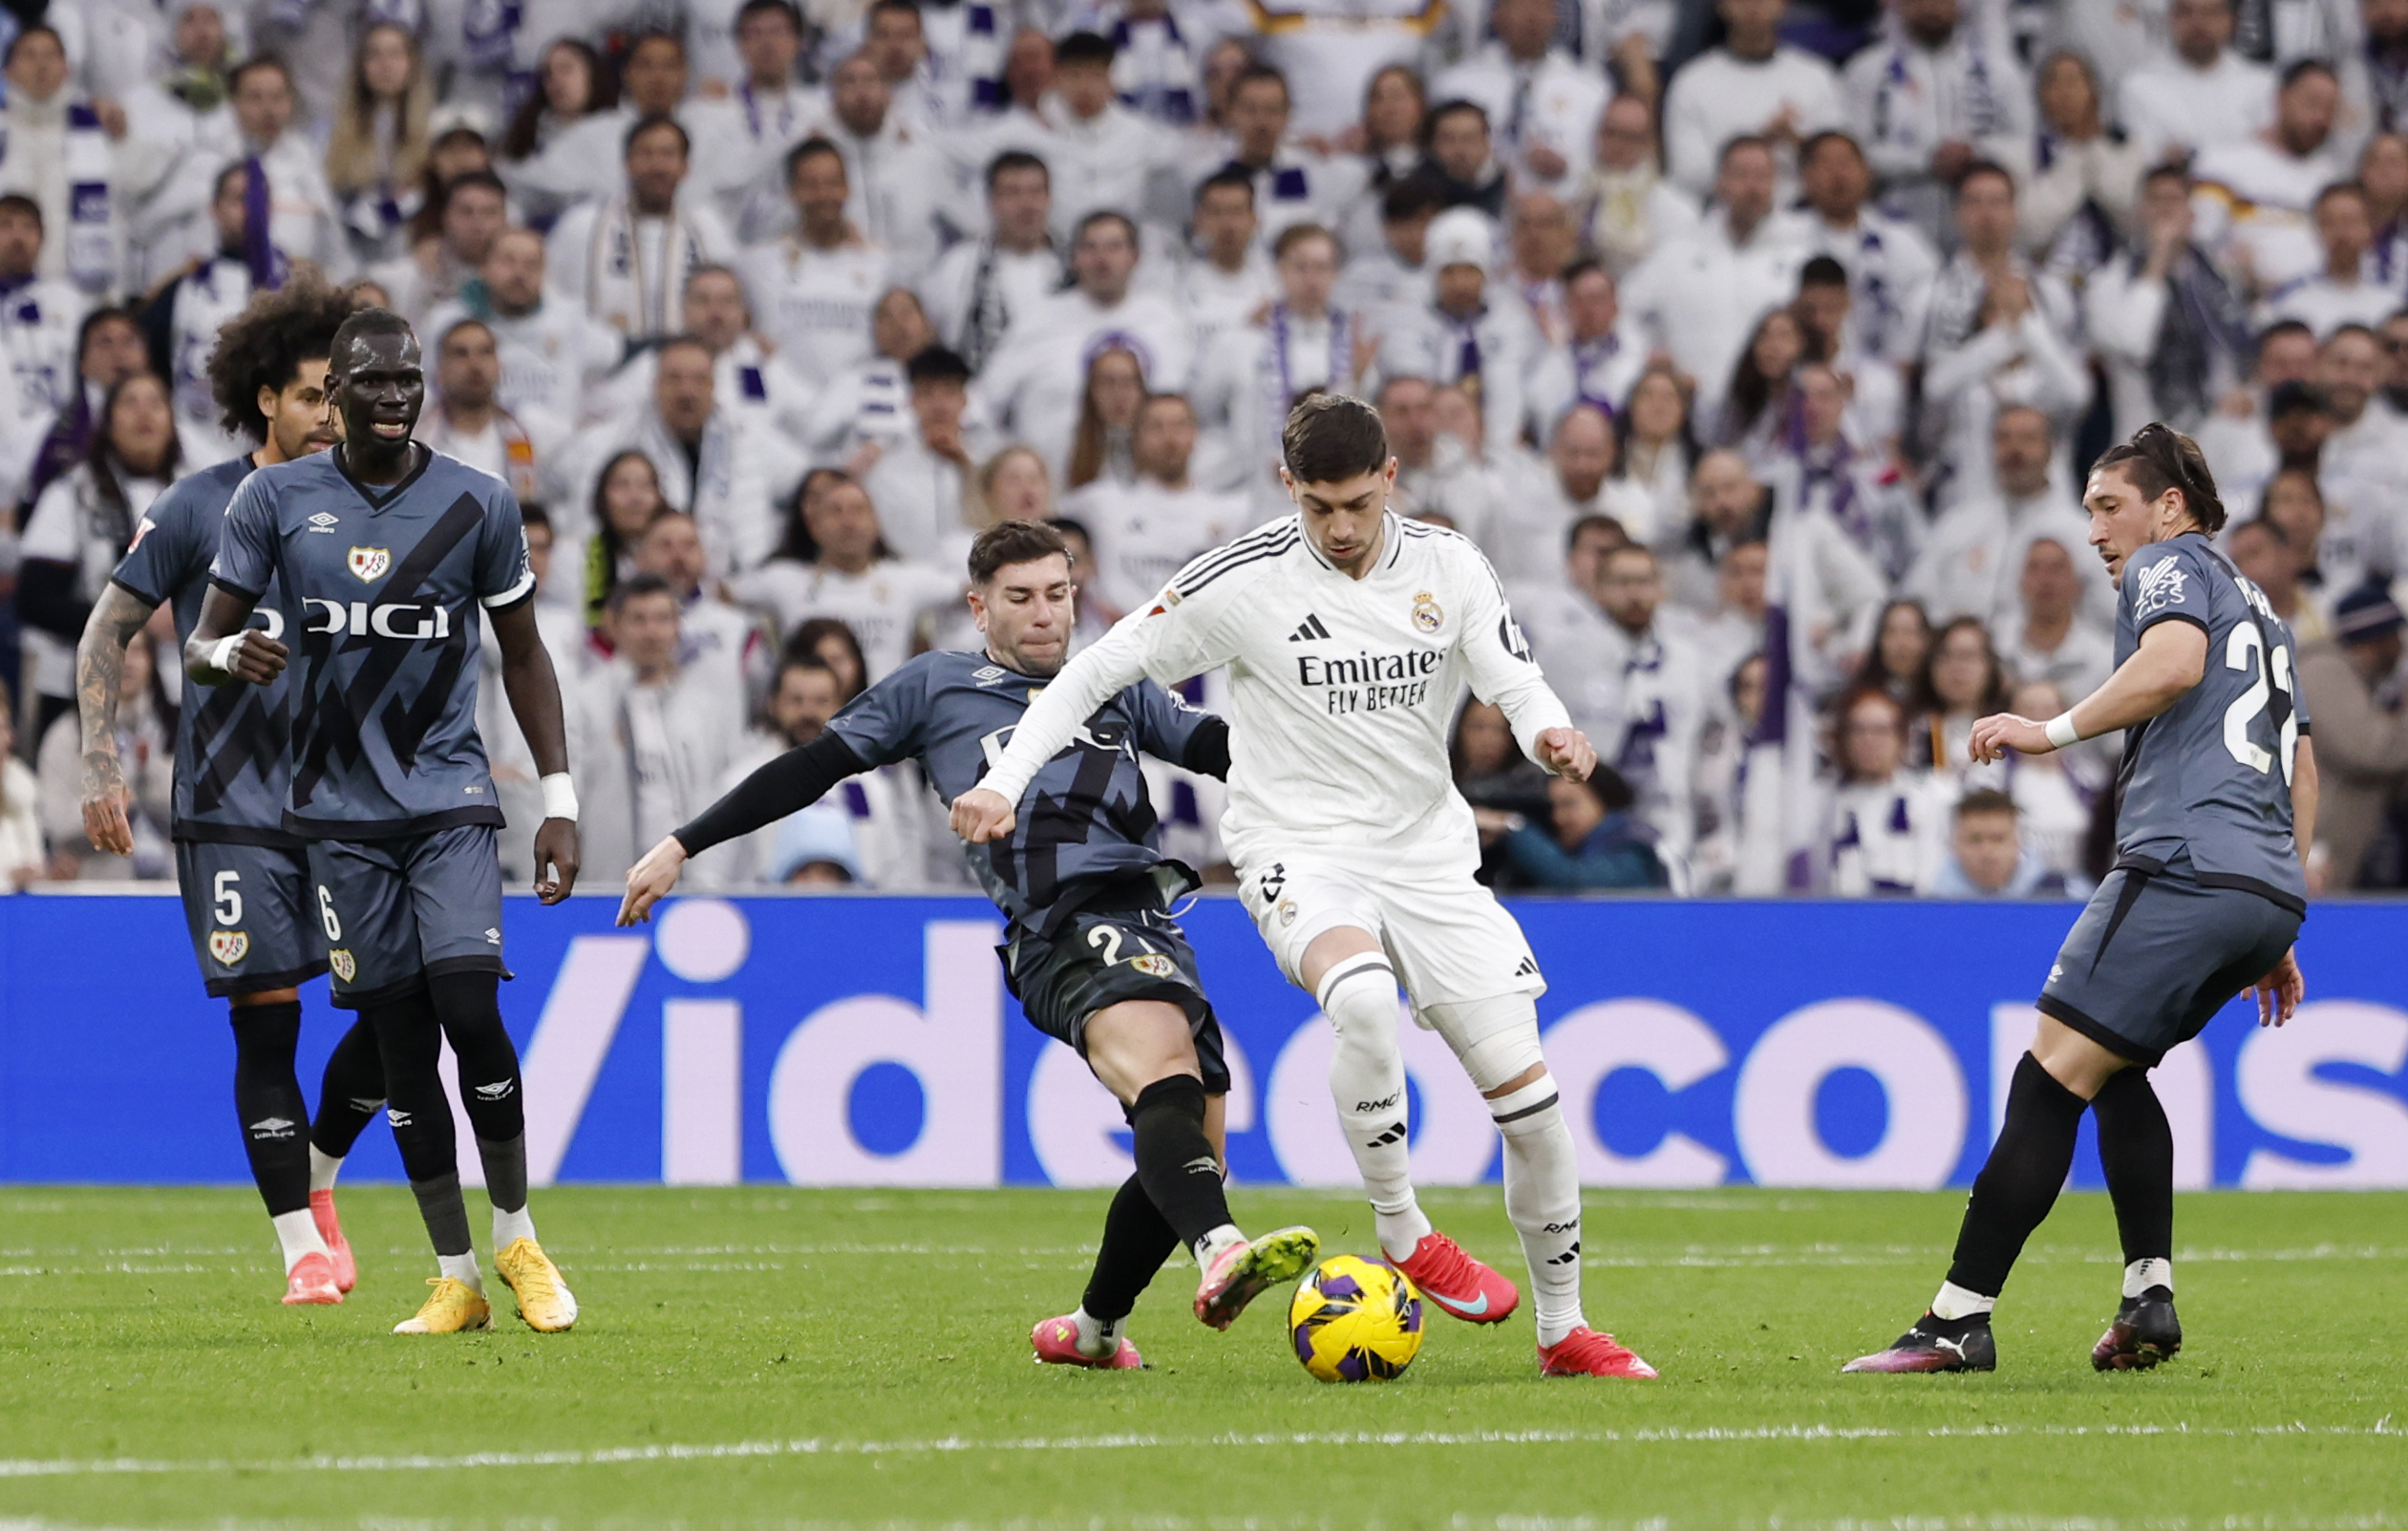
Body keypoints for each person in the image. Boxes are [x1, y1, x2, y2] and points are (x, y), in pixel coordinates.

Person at [956, 393, 1658, 1380]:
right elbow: (1092, 674)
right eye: (1318, 505)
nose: (1338, 527)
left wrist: (1548, 730)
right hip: (1300, 845)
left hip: (1427, 857)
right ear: (1289, 487)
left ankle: (1563, 1329)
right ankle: (1400, 1227)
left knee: (1533, 1106)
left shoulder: (1450, 565)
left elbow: (1511, 671)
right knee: (1363, 999)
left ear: (1390, 481)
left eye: (1357, 505)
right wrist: (1000, 781)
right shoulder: (1240, 579)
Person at [620, 518, 1320, 1365]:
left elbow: (1215, 748)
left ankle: (1093, 1330)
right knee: (1168, 1077)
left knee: (1189, 1142)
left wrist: (1332, 760)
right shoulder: (935, 685)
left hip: (1150, 917)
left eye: (1058, 595)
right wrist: (682, 843)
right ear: (978, 607)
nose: (1044, 616)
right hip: (1058, 918)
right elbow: (812, 766)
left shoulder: (1113, 675)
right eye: (1020, 599)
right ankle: (1220, 1251)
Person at [1846, 424, 2316, 1375]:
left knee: (2049, 1073)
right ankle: (2147, 1296)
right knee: (2113, 1067)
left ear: (2168, 506)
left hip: (2180, 862)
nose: (2098, 529)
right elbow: (2300, 759)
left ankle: (1955, 1320)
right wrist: (2281, 903)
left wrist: (2047, 729)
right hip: (2259, 882)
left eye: (2109, 506)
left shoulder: (2167, 566)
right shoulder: (2258, 605)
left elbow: (2175, 664)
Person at [185, 308, 583, 1337]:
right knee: (401, 1044)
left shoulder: (478, 501)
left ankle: (518, 1239)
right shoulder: (275, 499)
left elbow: (526, 653)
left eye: (410, 378)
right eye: (374, 381)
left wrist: (559, 799)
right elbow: (199, 645)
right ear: (336, 396)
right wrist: (233, 658)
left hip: (449, 797)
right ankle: (456, 1277)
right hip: (335, 816)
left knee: (471, 1008)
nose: (397, 394)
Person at [73, 275, 387, 1308]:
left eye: (340, 398)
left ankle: (324, 1172)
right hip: (232, 807)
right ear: (264, 397)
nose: (328, 416)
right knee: (268, 1022)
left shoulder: (372, 503)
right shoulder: (199, 503)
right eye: (310, 396)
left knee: (398, 1008)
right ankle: (300, 1243)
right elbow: (108, 628)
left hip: (350, 799)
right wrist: (99, 756)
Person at [15, 375, 182, 744]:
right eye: (129, 402)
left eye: (156, 402)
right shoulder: (72, 493)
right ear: (107, 424)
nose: (144, 413)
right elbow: (35, 598)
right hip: (79, 690)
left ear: (173, 419)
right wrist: (134, 620)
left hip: (181, 691)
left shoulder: (204, 493)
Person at [569, 574, 751, 882]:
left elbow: (724, 790)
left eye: (662, 619)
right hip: (608, 880)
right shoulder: (585, 702)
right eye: (638, 620)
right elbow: (572, 794)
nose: (651, 632)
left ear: (678, 626)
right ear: (614, 626)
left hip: (689, 880)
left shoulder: (706, 706)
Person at [1063, 391, 1249, 623]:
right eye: (1156, 427)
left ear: (1196, 435)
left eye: (1180, 426)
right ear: (1136, 436)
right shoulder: (1101, 503)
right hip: (1119, 643)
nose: (1169, 438)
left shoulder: (1230, 513)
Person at [546, 116, 736, 343]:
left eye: (667, 155)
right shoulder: (582, 225)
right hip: (603, 366)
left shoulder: (708, 228)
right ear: (627, 164)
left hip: (687, 366)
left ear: (685, 167)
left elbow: (733, 304)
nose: (657, 166)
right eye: (646, 154)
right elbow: (552, 298)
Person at [1660, 0, 1842, 199]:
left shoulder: (1816, 76)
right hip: (1721, 217)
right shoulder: (1692, 81)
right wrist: (1761, 144)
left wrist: (1798, 142)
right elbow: (1687, 175)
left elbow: (1842, 165)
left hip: (1804, 214)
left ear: (1784, 4)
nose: (1753, 4)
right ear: (1721, 6)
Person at [2297, 583, 2408, 889]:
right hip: (2309, 857)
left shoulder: (2362, 686)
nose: (2401, 648)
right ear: (2380, 639)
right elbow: (2369, 750)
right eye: (2397, 637)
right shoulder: (2323, 670)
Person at [917, 150, 1058, 371]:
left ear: (1049, 199)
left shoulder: (1075, 268)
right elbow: (926, 336)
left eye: (1035, 192)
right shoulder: (957, 265)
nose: (1026, 204)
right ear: (991, 201)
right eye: (1013, 193)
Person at [1820, 685, 1950, 896]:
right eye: (1859, 730)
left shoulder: (1934, 797)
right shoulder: (1822, 802)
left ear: (1902, 739)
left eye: (1881, 731)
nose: (1869, 740)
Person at [1492, 768, 1666, 890]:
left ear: (1604, 802)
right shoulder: (1580, 848)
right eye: (1553, 807)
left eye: (1569, 804)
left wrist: (1512, 826)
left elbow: (1575, 882)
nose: (1557, 818)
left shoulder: (1633, 849)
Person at [1928, 788, 2067, 899]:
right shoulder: (1927, 905)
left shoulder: (2064, 895)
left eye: (1998, 839)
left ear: (2019, 843)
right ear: (1954, 845)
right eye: (1975, 839)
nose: (1987, 850)